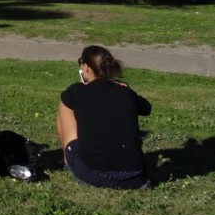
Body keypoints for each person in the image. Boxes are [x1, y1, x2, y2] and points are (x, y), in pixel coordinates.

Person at [56, 45, 152, 189]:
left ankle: (67, 161)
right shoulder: (124, 91)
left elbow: (69, 100)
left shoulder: (77, 91)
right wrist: (128, 90)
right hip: (136, 177)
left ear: (87, 67)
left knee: (65, 105)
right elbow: (146, 109)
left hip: (95, 175)